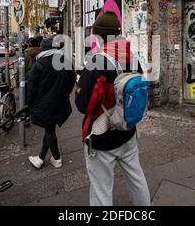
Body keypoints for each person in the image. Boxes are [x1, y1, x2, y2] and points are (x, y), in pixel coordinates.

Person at [75, 11, 151, 206]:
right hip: (128, 130)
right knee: (136, 177)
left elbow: (83, 105)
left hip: (102, 136)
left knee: (102, 189)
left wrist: (80, 85)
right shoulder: (133, 57)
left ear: (99, 35)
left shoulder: (98, 62)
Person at [27, 37, 76, 169]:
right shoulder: (66, 62)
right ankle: (41, 157)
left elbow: (31, 88)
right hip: (60, 102)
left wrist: (30, 104)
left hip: (44, 104)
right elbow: (72, 81)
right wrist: (64, 94)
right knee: (50, 128)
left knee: (49, 130)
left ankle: (57, 157)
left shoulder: (39, 65)